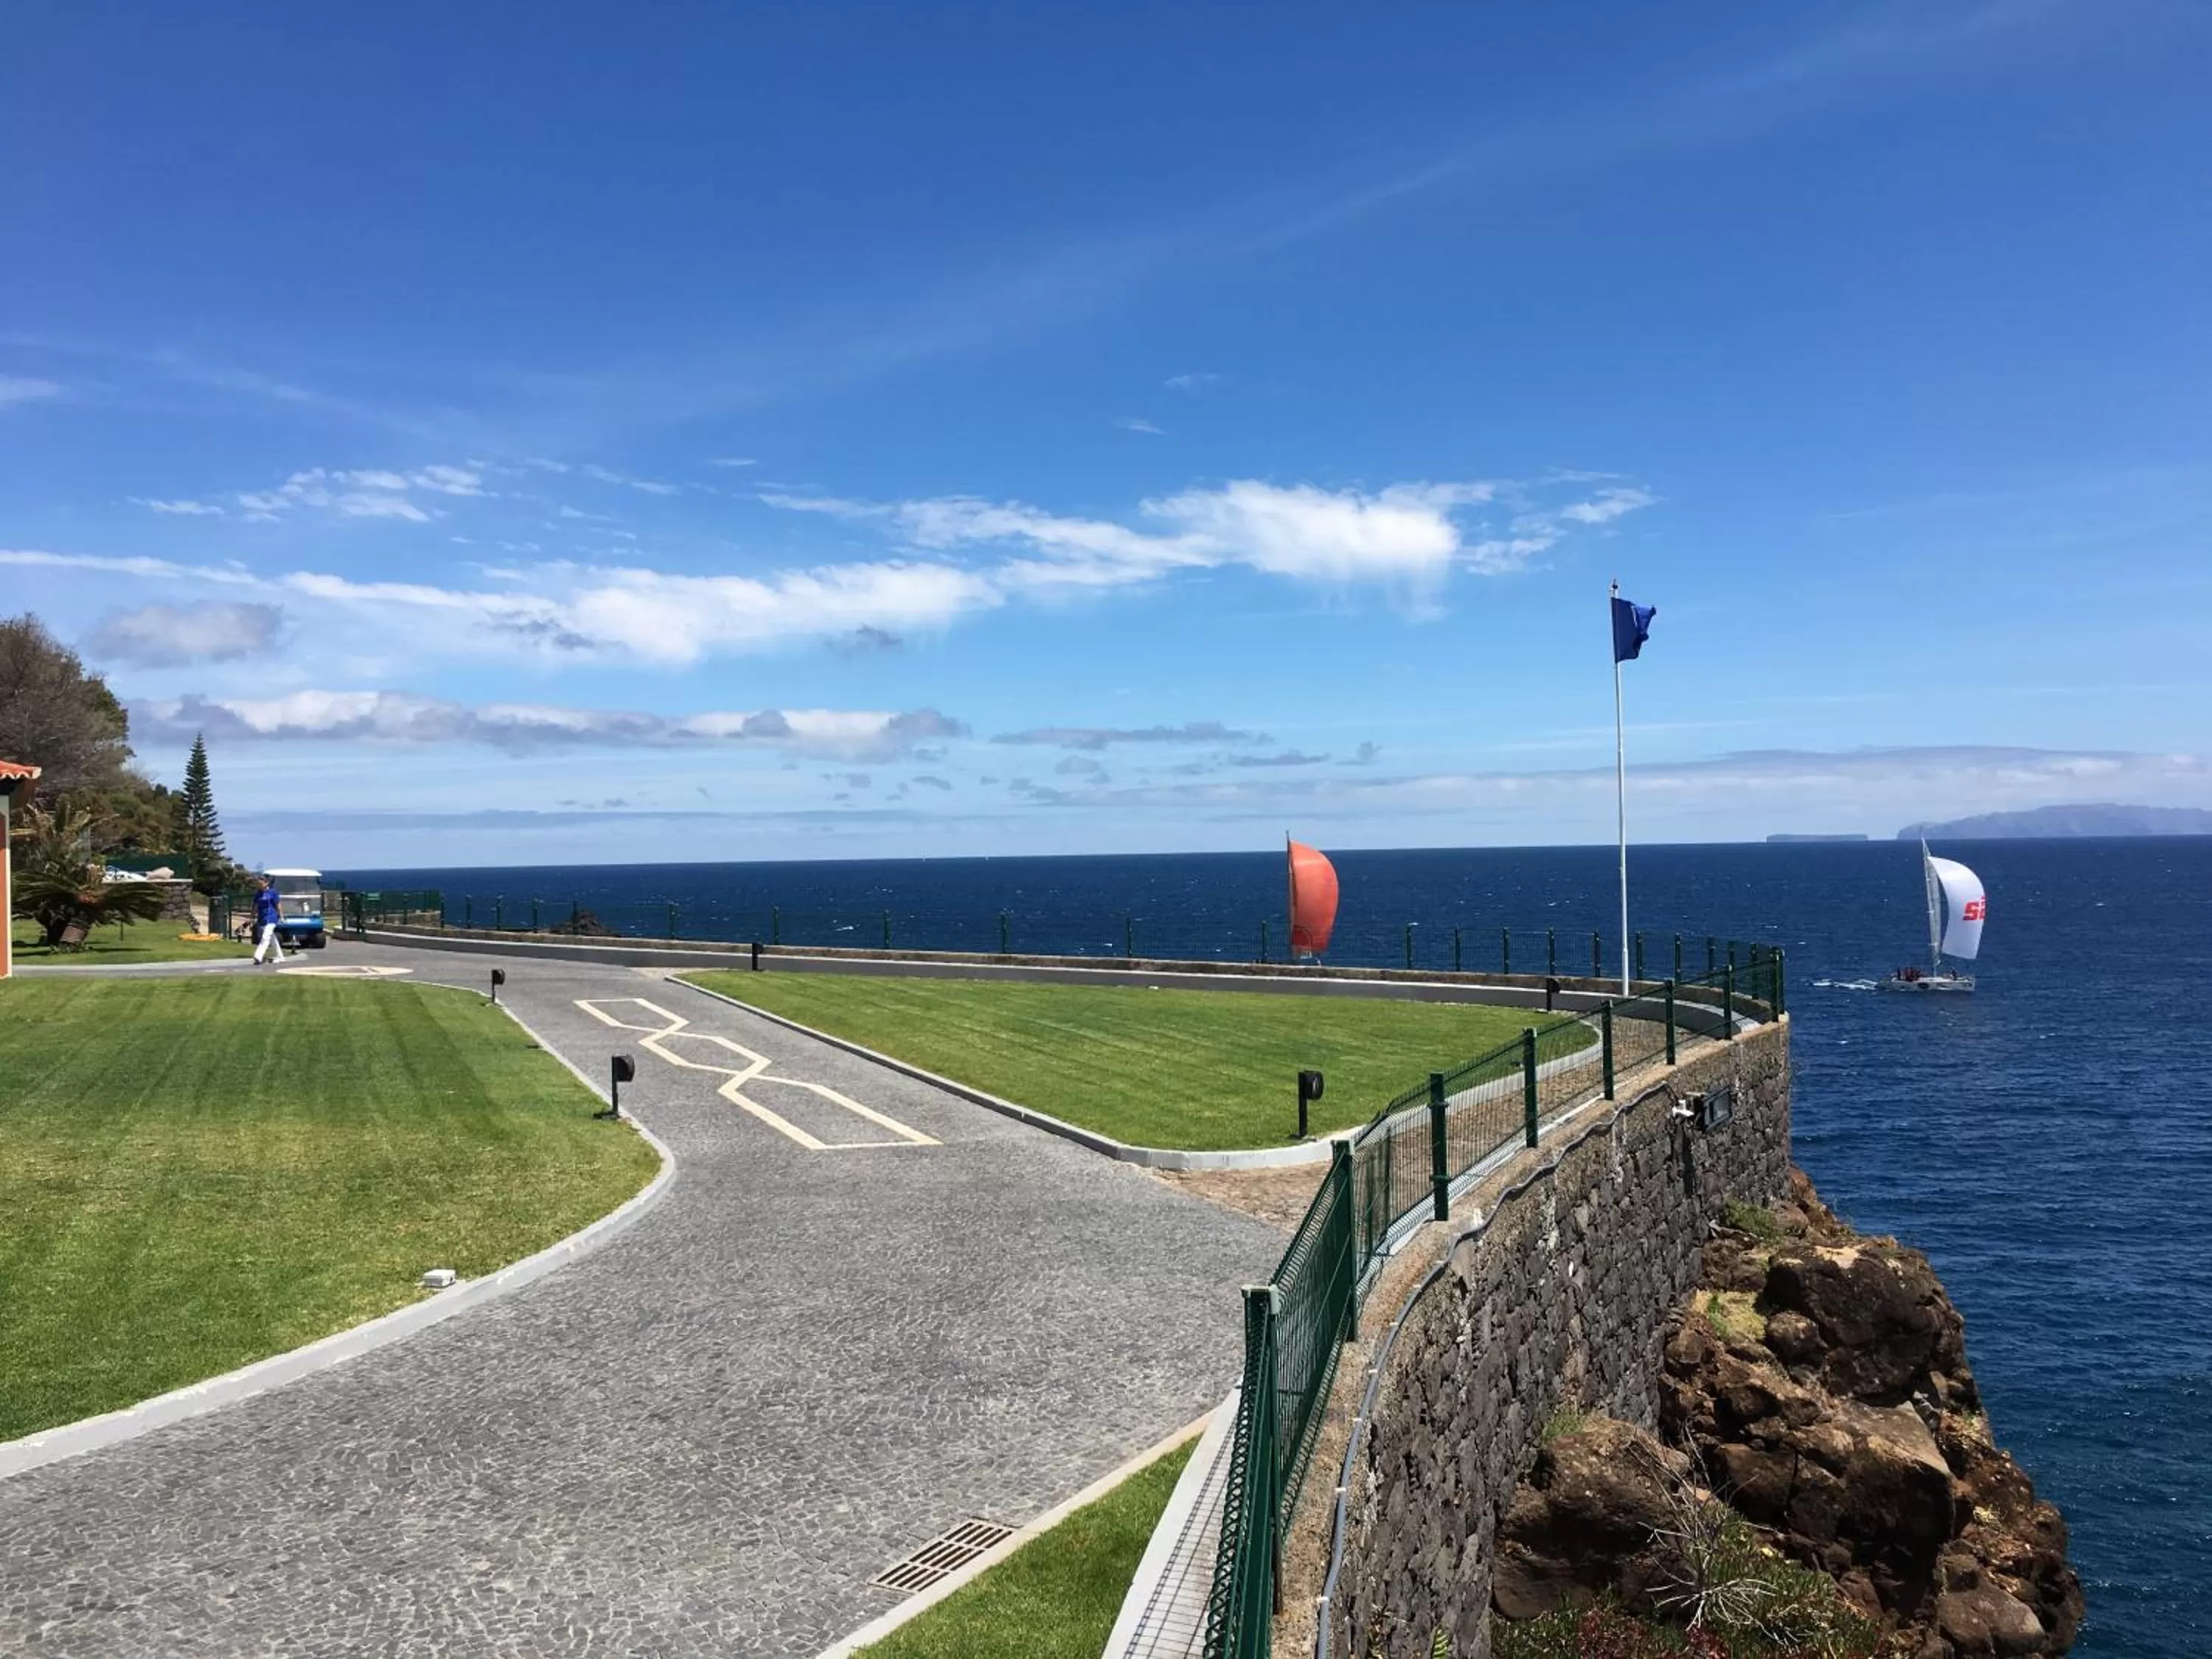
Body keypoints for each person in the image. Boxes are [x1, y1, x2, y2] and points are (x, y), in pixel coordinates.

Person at [251, 876, 286, 966]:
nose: (259, 886)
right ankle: (280, 956)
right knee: (272, 938)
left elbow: (278, 904)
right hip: (262, 918)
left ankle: (258, 956)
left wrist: (281, 917)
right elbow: (255, 906)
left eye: (260, 884)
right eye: (258, 884)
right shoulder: (258, 894)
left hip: (272, 918)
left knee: (266, 937)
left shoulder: (273, 893)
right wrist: (252, 917)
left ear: (266, 883)